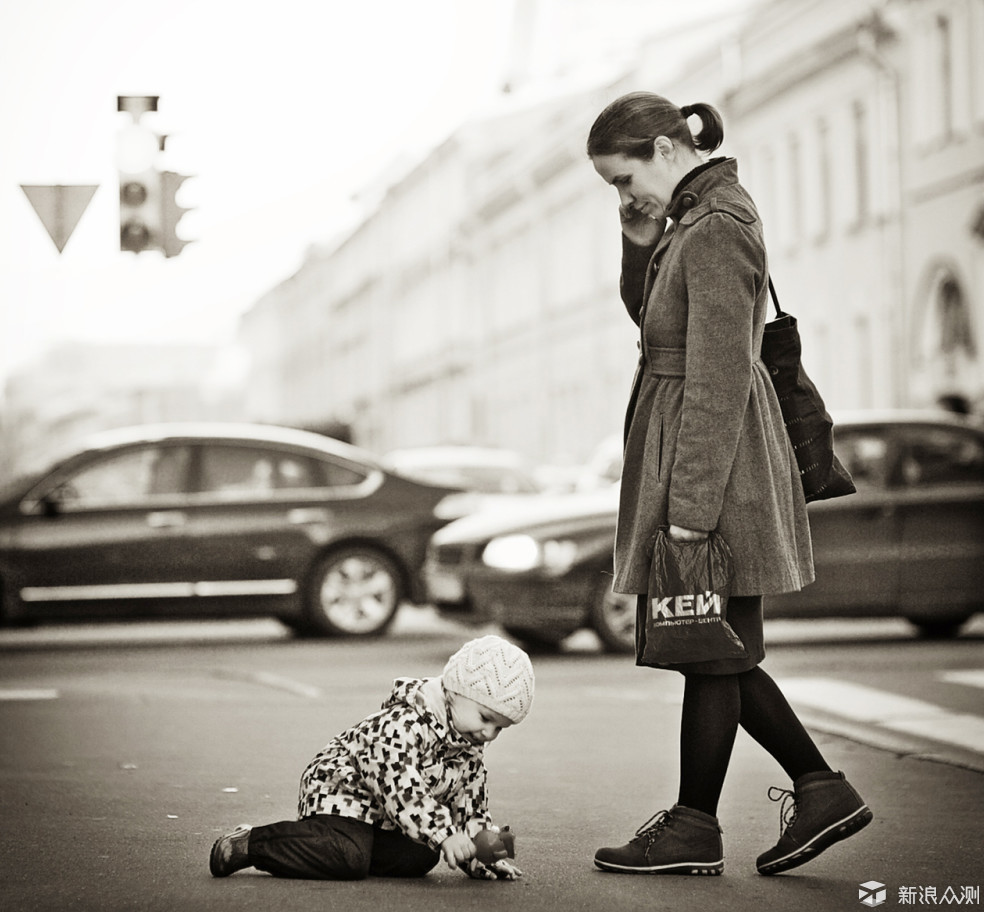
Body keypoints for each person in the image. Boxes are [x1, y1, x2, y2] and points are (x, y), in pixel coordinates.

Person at [586, 92, 872, 877]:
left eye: (623, 179)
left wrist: (690, 512)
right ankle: (736, 812)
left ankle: (756, 806)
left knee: (717, 648)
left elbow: (715, 380)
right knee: (715, 647)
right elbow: (652, 324)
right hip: (702, 461)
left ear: (664, 149)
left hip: (720, 467)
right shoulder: (688, 222)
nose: (624, 194)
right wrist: (637, 236)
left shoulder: (718, 230)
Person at [208, 635, 533, 882]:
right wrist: (445, 833)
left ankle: (350, 852)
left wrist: (484, 854)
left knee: (420, 857)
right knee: (349, 857)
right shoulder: (402, 724)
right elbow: (402, 790)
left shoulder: (469, 747)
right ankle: (251, 843)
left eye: (500, 728)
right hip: (341, 797)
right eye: (485, 718)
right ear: (455, 691)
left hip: (383, 817)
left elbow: (472, 807)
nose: (489, 733)